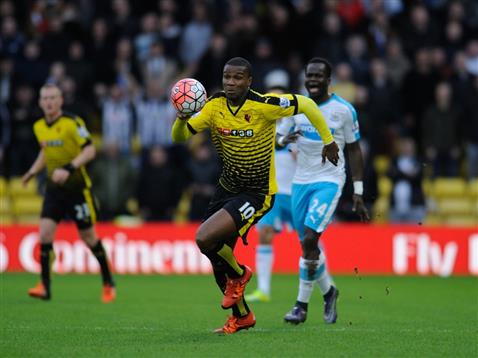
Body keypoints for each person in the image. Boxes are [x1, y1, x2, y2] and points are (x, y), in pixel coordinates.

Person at [171, 57, 339, 334]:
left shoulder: (264, 105)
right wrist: (181, 117)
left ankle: (240, 273)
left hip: (257, 193)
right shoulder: (214, 107)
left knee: (204, 237)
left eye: (237, 78)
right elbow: (179, 137)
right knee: (215, 257)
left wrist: (328, 141)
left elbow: (307, 104)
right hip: (225, 190)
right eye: (227, 77)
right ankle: (242, 316)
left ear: (249, 81)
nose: (231, 82)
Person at [277, 57, 369, 325]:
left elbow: (354, 149)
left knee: (309, 239)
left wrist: (358, 191)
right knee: (308, 248)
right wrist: (285, 139)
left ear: (329, 81)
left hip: (329, 180)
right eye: (310, 75)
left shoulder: (343, 110)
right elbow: (279, 140)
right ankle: (329, 292)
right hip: (300, 182)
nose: (313, 80)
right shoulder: (295, 108)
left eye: (319, 76)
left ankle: (300, 306)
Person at [22, 83, 116, 303]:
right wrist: (32, 172)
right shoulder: (39, 127)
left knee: (88, 237)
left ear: (60, 100)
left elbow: (90, 150)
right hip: (54, 190)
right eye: (45, 98)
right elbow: (45, 153)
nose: (49, 102)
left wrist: (69, 168)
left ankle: (108, 282)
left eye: (53, 98)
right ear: (40, 102)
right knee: (44, 234)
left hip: (77, 189)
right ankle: (44, 285)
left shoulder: (73, 123)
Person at [245, 69, 297, 303]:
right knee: (264, 234)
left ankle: (324, 284)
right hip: (271, 192)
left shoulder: (296, 126)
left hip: (297, 191)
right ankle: (263, 289)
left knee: (309, 239)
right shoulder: (260, 127)